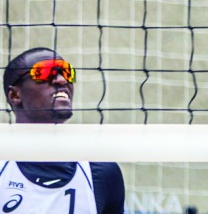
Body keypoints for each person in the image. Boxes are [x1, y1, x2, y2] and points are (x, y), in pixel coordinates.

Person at [2, 48, 125, 214]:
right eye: (45, 72)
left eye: (67, 72)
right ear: (15, 95)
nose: (61, 80)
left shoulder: (102, 172)